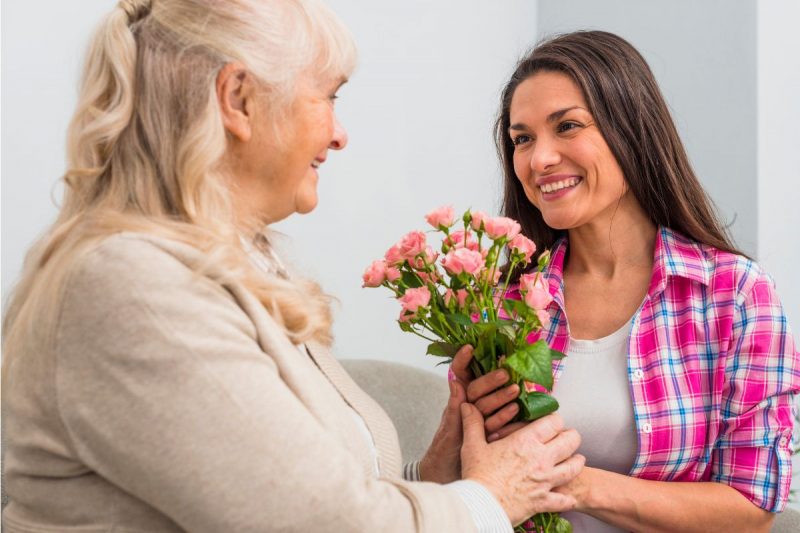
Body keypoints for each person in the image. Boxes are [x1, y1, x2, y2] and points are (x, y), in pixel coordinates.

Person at [1, 1, 586, 532]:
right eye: (328, 96)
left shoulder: (221, 267)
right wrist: (493, 495)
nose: (339, 135)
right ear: (238, 100)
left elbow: (305, 501)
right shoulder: (130, 287)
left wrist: (438, 477)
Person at [494, 30, 799, 532]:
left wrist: (574, 483)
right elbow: (469, 486)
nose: (538, 159)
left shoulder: (733, 294)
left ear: (630, 130)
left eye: (567, 126)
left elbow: (753, 506)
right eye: (522, 138)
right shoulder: (506, 301)